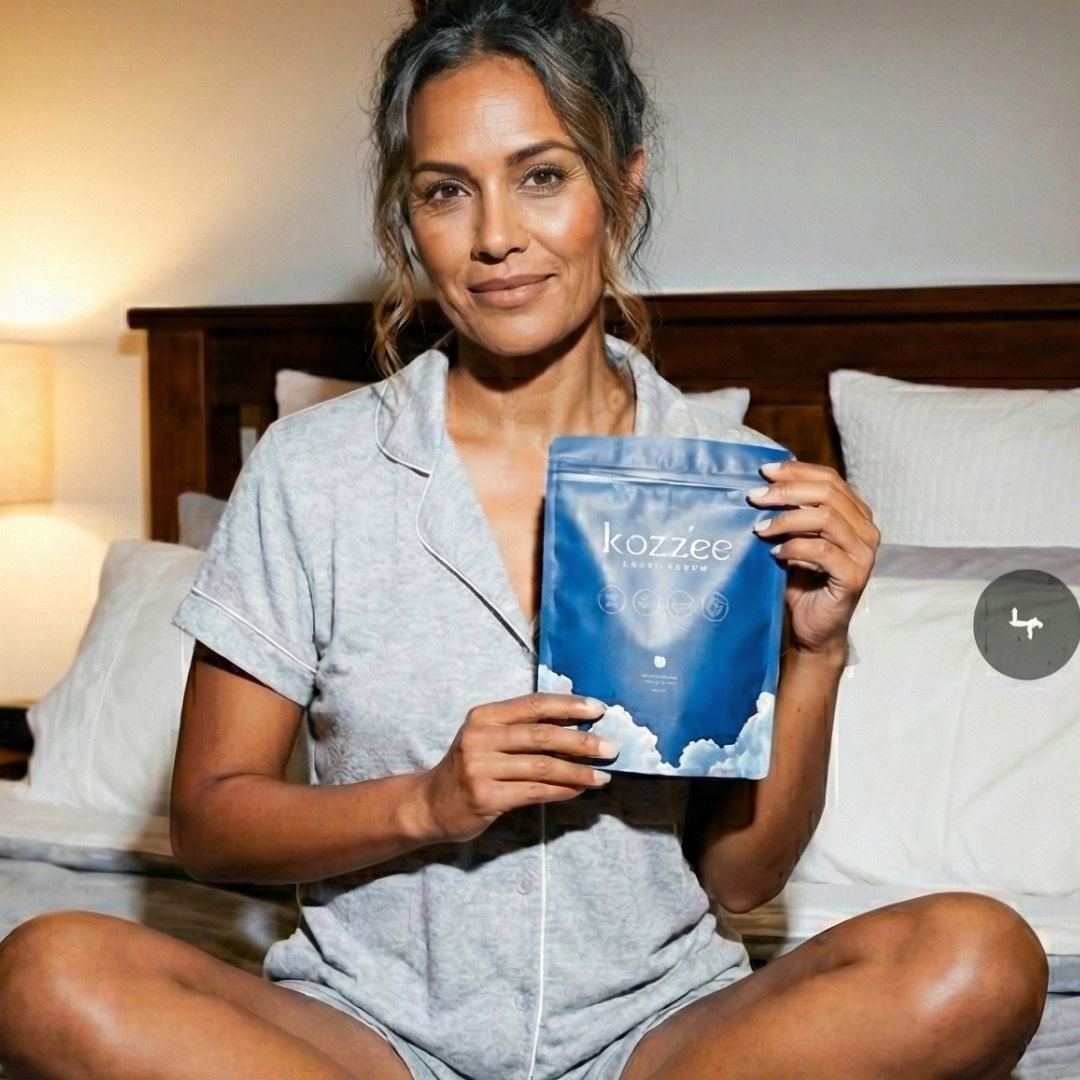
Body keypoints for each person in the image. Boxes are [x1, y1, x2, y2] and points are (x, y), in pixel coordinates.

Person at [0, 1, 1048, 1077]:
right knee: (47, 970)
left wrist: (818, 651)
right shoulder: (314, 471)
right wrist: (428, 799)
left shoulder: (727, 477)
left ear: (622, 186)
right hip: (368, 1038)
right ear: (410, 221)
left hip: (658, 1039)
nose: (496, 234)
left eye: (542, 176)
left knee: (980, 955)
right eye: (447, 190)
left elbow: (739, 883)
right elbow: (212, 825)